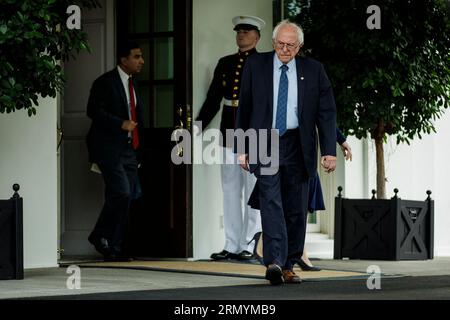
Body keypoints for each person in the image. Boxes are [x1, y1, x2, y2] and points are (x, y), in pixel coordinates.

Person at [235, 20, 337, 285]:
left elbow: (326, 113)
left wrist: (329, 151)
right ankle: (275, 263)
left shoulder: (314, 70)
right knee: (271, 200)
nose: (284, 49)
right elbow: (243, 107)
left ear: (299, 46)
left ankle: (290, 262)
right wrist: (242, 148)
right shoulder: (256, 66)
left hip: (297, 143)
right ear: (272, 43)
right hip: (264, 141)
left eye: (290, 45)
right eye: (280, 44)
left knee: (296, 206)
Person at [196, 15, 266, 261]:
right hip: (229, 131)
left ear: (257, 37)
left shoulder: (265, 63)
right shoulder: (225, 63)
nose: (241, 35)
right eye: (239, 31)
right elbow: (213, 99)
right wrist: (196, 128)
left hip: (255, 134)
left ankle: (250, 244)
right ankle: (232, 244)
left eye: (246, 32)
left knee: (252, 190)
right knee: (230, 189)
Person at [85, 41, 145, 262]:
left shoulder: (133, 83)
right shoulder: (105, 82)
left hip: (129, 149)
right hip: (107, 147)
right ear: (124, 59)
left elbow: (138, 116)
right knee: (121, 192)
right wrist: (120, 123)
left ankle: (114, 248)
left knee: (127, 197)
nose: (142, 61)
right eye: (137, 56)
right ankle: (99, 236)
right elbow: (93, 111)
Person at [299, 128, 352, 271]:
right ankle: (260, 241)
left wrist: (340, 139)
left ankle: (298, 249)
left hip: (298, 149)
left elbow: (321, 113)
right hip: (258, 142)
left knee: (303, 200)